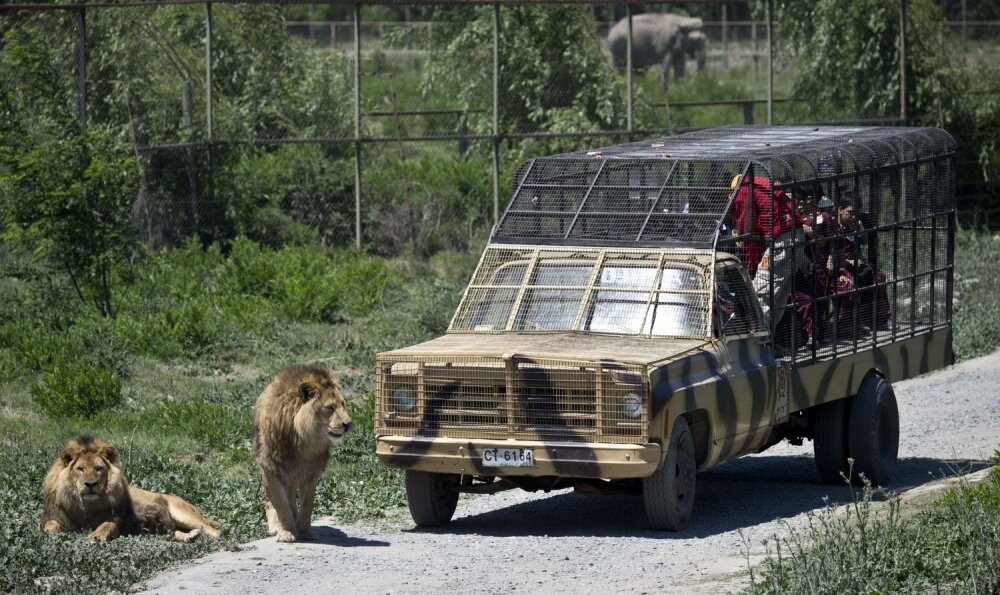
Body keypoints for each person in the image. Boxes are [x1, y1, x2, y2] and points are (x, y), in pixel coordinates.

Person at [729, 175, 808, 333]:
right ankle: (767, 343)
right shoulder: (759, 183)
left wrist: (751, 263)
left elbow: (748, 231)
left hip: (781, 242)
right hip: (794, 238)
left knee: (761, 292)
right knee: (778, 297)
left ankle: (755, 342)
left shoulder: (743, 191)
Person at [831, 198, 891, 335]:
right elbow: (833, 253)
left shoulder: (854, 225)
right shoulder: (834, 228)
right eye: (850, 212)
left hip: (858, 262)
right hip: (841, 266)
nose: (853, 216)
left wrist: (861, 229)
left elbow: (865, 242)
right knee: (850, 284)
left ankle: (881, 319)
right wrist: (848, 262)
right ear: (840, 210)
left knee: (880, 277)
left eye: (855, 213)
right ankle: (850, 323)